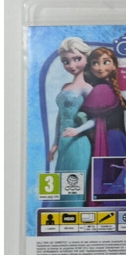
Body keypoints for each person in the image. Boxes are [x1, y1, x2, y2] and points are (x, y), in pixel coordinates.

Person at [47, 37, 93, 207]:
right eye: (66, 61)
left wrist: (78, 130)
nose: (71, 65)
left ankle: (74, 212)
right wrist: (55, 143)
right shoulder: (65, 87)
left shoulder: (88, 88)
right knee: (62, 181)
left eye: (77, 59)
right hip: (64, 141)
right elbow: (60, 116)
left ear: (86, 59)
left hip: (78, 142)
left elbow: (97, 118)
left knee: (74, 183)